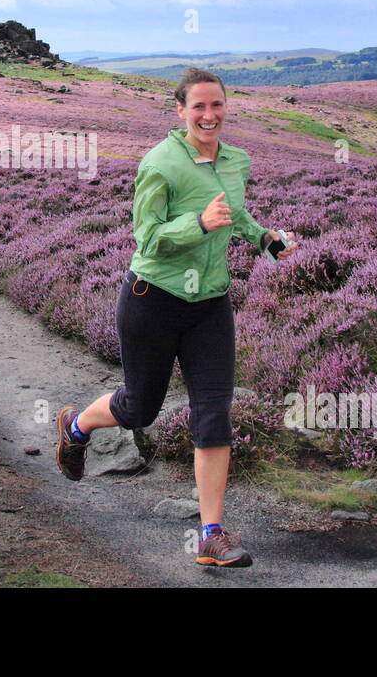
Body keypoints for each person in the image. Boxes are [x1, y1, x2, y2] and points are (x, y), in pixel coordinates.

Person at [55, 67, 299, 568]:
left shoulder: (236, 161)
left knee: (214, 412)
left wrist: (264, 239)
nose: (209, 115)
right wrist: (198, 224)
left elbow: (237, 214)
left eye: (217, 105)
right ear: (181, 111)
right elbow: (147, 237)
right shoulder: (161, 163)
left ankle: (211, 533)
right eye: (199, 107)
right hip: (153, 299)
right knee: (140, 408)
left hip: (210, 304)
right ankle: (76, 426)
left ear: (227, 106)